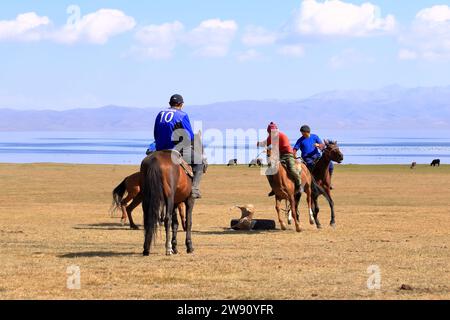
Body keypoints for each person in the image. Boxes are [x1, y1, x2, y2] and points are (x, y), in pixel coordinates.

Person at [153, 94, 204, 199]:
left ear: (169, 104)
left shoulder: (160, 114)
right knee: (199, 162)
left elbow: (155, 132)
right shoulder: (182, 115)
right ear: (181, 104)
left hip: (159, 148)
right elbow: (189, 135)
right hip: (176, 148)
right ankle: (194, 189)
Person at [257, 122, 302, 195]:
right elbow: (266, 143)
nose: (271, 134)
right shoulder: (271, 137)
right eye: (270, 133)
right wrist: (259, 143)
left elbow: (283, 147)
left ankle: (299, 185)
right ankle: (274, 188)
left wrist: (272, 150)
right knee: (269, 171)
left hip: (287, 155)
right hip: (279, 155)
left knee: (292, 169)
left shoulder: (282, 136)